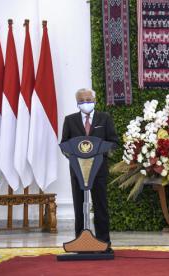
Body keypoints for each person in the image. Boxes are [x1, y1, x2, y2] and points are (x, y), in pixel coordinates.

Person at [61, 88, 119, 250]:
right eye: (81, 100)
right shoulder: (70, 120)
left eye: (88, 99)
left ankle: (104, 242)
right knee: (79, 206)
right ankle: (80, 242)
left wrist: (101, 150)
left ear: (94, 100)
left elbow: (114, 142)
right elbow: (64, 144)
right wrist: (74, 155)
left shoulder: (105, 118)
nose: (85, 103)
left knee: (101, 206)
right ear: (77, 103)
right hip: (77, 171)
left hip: (99, 170)